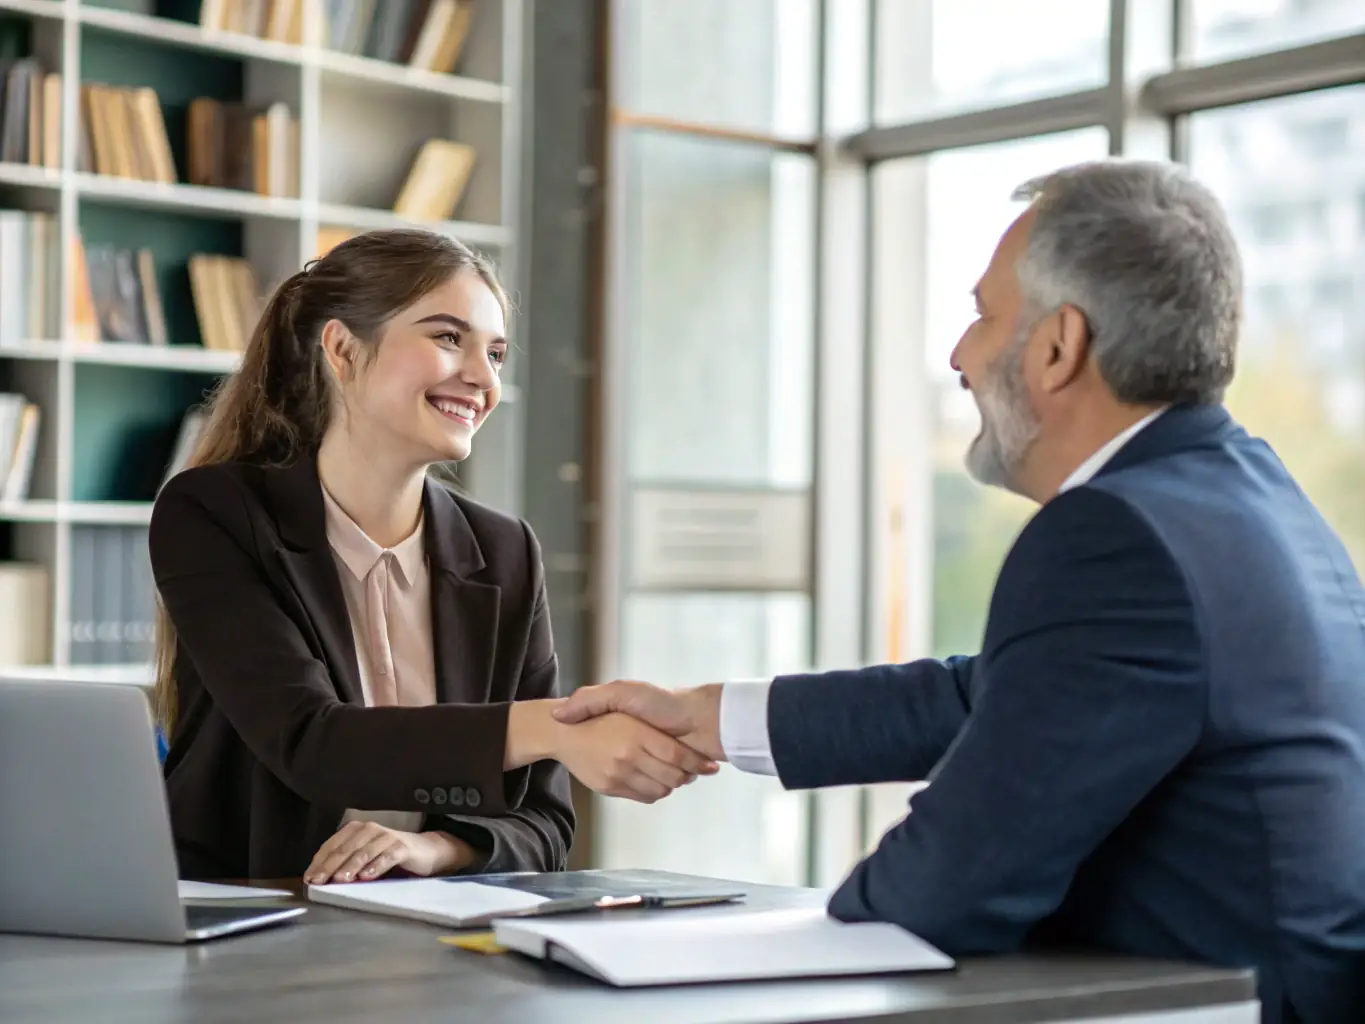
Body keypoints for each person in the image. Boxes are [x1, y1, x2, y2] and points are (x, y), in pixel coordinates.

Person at [555, 160, 1365, 1023]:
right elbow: (1001, 694)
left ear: (1058, 347)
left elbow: (941, 892)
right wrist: (710, 713)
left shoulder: (1114, 536)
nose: (958, 355)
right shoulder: (1253, 499)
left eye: (982, 316)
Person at [150, 229, 716, 885]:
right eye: (449, 338)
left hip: (431, 931)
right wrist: (557, 729)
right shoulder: (215, 513)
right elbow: (311, 743)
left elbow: (544, 824)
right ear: (342, 348)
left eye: (496, 353)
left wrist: (438, 850)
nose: (482, 378)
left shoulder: (504, 553)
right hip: (248, 919)